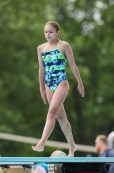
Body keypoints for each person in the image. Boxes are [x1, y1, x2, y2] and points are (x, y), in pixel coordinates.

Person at [32, 21, 85, 157]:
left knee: (51, 113)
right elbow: (41, 69)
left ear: (57, 32)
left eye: (50, 31)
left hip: (61, 82)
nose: (48, 34)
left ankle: (41, 143)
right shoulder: (40, 48)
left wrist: (80, 83)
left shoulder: (64, 46)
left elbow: (73, 65)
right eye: (45, 32)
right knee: (61, 117)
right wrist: (41, 88)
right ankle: (72, 146)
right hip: (48, 84)